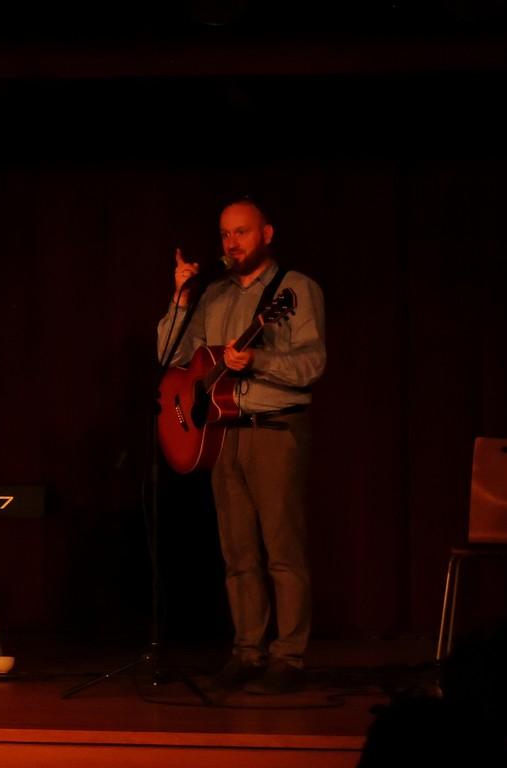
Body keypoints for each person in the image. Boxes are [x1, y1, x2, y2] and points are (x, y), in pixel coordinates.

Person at [156, 198, 326, 694]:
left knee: (282, 550)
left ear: (266, 234)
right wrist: (180, 300)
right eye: (226, 234)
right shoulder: (213, 294)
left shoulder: (295, 289)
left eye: (242, 232)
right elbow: (170, 355)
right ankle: (247, 651)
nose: (232, 243)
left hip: (274, 430)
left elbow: (312, 364)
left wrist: (258, 361)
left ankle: (288, 657)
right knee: (238, 552)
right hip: (223, 433)